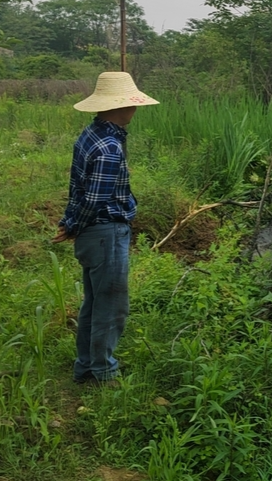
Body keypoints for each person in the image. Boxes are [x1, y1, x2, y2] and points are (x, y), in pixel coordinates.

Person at [53, 72, 159, 385]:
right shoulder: (110, 147)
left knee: (93, 302)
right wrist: (72, 225)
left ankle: (85, 367)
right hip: (105, 233)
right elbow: (94, 200)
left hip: (92, 235)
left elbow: (78, 189)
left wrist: (69, 223)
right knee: (111, 306)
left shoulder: (89, 135)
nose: (135, 110)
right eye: (131, 103)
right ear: (119, 107)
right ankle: (103, 371)